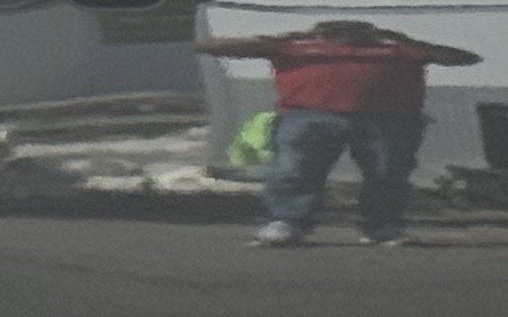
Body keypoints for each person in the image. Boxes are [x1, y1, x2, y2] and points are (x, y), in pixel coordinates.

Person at [195, 17, 479, 246]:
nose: (346, 35)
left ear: (373, 33)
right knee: (293, 170)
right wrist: (285, 38)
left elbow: (465, 58)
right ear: (320, 32)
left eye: (357, 31)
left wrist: (405, 39)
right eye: (336, 30)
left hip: (389, 119)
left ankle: (383, 227)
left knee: (388, 174)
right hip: (308, 116)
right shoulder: (297, 47)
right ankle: (286, 222)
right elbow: (209, 46)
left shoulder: (398, 49)